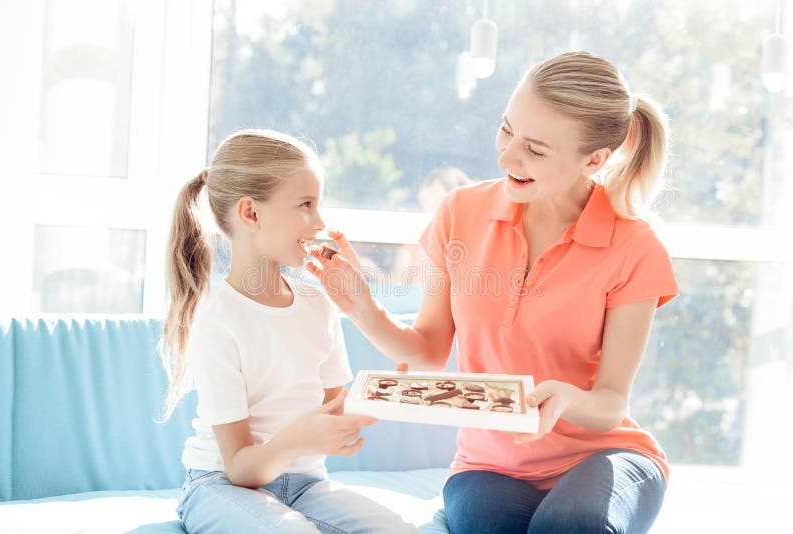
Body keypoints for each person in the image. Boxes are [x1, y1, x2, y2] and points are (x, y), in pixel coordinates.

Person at [308, 51, 678, 534]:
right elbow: (427, 354)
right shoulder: (460, 212)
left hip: (602, 455)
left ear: (595, 160)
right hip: (489, 465)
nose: (506, 156)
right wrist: (361, 305)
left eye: (536, 149)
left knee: (571, 525)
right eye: (507, 129)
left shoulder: (635, 246)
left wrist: (566, 398)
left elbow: (611, 401)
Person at [159, 129, 416, 533]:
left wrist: (383, 398)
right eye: (305, 205)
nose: (320, 222)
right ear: (251, 214)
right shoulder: (218, 321)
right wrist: (297, 439)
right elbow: (241, 467)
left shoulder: (317, 305)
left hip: (305, 485)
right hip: (222, 484)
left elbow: (334, 409)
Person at [391, 167, 473, 286]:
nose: (426, 195)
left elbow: (397, 283)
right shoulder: (467, 238)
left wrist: (370, 268)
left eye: (435, 191)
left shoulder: (414, 234)